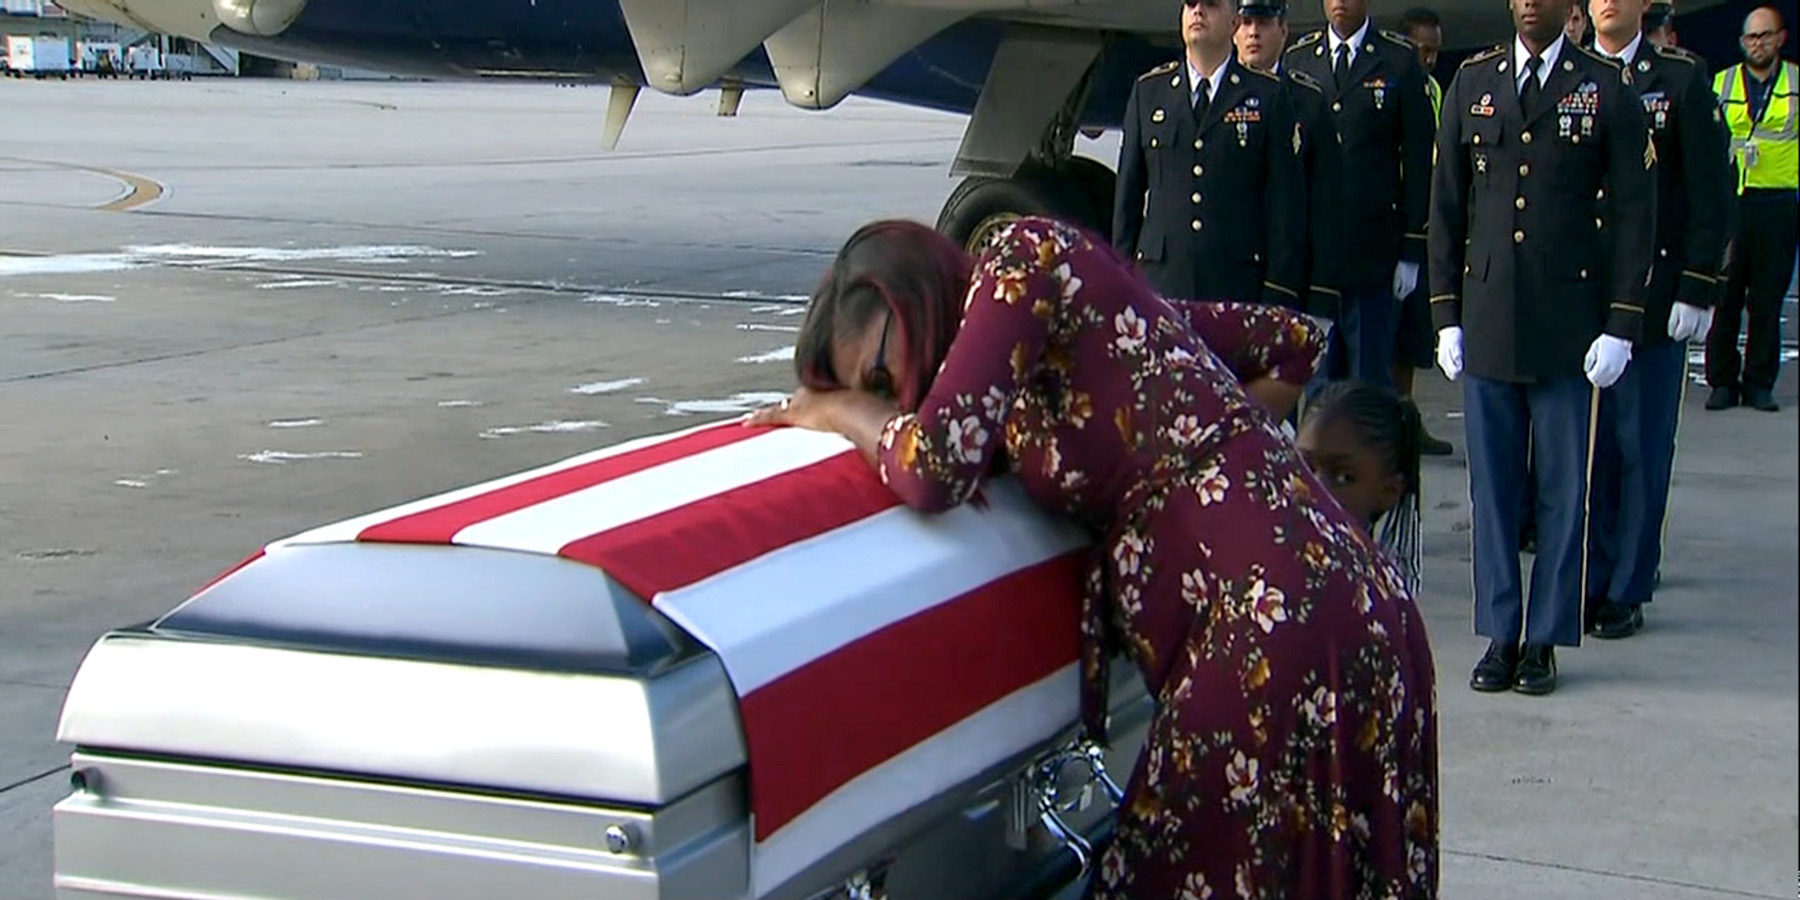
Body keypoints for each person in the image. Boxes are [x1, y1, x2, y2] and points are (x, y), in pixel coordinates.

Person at [752, 216, 1439, 899]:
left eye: (878, 377)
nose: (890, 402)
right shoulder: (1091, 317)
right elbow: (1288, 346)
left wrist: (840, 410)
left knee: (1177, 874)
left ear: (919, 297)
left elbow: (935, 467)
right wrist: (1198, 451)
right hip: (1353, 598)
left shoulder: (1018, 261)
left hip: (1269, 626)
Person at [1427, 0, 1657, 696]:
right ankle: (1501, 631)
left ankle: (1546, 637)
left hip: (1567, 319)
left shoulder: (1603, 87)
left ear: (1566, 7)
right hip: (1490, 313)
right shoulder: (1475, 82)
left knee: (1563, 490)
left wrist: (1621, 322)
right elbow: (1446, 205)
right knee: (1493, 491)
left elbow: (1634, 211)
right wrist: (1446, 315)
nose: (1531, 2)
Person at [1583, 0, 1729, 639]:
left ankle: (1628, 584)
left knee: (1640, 447)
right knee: (1585, 453)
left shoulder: (1679, 78)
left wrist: (1698, 287)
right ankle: (1589, 575)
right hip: (1580, 294)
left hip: (1655, 293)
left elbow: (1708, 189)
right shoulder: (1574, 75)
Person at [1284, 0, 1437, 390]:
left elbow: (1418, 160)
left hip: (1373, 252)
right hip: (1316, 259)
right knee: (1317, 385)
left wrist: (1412, 249)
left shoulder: (1398, 59)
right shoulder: (1301, 59)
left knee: (1368, 386)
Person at [1114, 0, 1307, 307]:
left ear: (1234, 23)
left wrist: (1278, 291)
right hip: (1162, 285)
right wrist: (1123, 285)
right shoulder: (1149, 93)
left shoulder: (1266, 95)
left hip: (1236, 285)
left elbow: (1285, 204)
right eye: (1190, 4)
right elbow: (1128, 199)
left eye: (1211, 4)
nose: (1198, 11)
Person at [1706, 6, 1796, 413]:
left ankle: (1759, 383)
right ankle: (1722, 382)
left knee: (1767, 300)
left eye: (1764, 35)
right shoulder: (1722, 82)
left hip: (1777, 204)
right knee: (1724, 297)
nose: (1757, 43)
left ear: (1781, 38)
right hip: (1730, 203)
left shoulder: (1795, 83)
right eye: (1750, 37)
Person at [1232, 0, 1344, 323]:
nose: (1253, 32)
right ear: (1233, 30)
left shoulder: (1309, 101)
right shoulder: (1215, 98)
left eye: (1264, 23)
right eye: (1246, 22)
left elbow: (1326, 206)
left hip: (1292, 283)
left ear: (1283, 31)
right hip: (1228, 279)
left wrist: (1323, 297)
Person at [1394, 6, 1458, 456]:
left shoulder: (1435, 89)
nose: (1429, 59)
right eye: (1421, 49)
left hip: (1426, 223)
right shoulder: (1395, 85)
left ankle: (1406, 420)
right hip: (1391, 223)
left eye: (1434, 51)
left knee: (1413, 340)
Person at [1296, 380, 1425, 593]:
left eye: (1344, 477)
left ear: (1389, 491)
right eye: (1304, 468)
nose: (1316, 490)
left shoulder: (1377, 599)